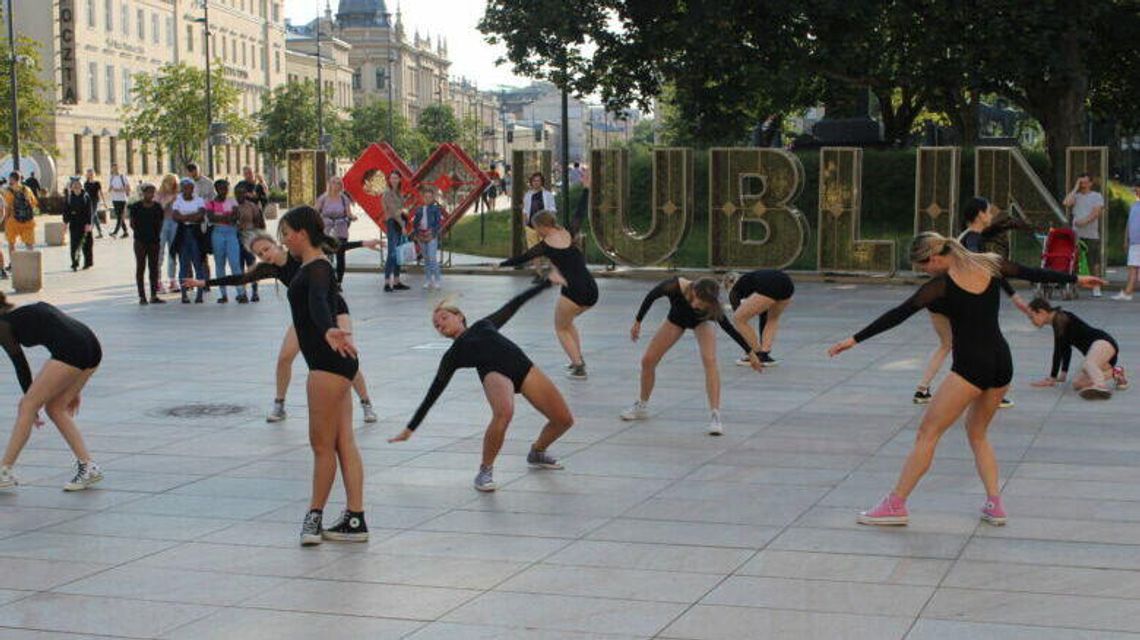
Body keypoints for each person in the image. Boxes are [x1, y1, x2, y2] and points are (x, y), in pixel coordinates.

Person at [827, 232, 1103, 527]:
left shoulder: (941, 285)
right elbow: (1031, 271)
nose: (924, 272)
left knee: (927, 433)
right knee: (978, 433)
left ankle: (896, 504)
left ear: (933, 258)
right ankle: (995, 504)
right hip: (1002, 363)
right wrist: (1076, 279)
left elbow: (898, 314)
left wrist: (853, 340)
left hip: (972, 366)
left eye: (923, 267)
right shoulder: (990, 263)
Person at [388, 279, 574, 492]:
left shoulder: (484, 325)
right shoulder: (452, 356)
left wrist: (546, 283)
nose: (441, 326)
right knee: (504, 413)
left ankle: (537, 451)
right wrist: (410, 429)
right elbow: (433, 393)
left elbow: (515, 303)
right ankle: (485, 470)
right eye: (437, 325)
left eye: (444, 318)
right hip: (495, 374)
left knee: (564, 420)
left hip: (523, 367)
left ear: (460, 316)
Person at [183, 231, 381, 424]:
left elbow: (335, 246)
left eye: (266, 249)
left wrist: (364, 243)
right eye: (259, 254)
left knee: (346, 355)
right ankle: (279, 405)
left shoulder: (299, 255)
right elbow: (240, 279)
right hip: (305, 316)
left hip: (335, 310)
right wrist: (204, 282)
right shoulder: (270, 268)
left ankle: (366, 404)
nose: (265, 255)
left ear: (277, 244)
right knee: (285, 358)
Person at [276, 206, 368, 546]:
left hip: (327, 367)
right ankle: (355, 519)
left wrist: (328, 328)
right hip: (338, 366)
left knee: (321, 446)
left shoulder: (315, 268)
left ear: (301, 233)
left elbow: (317, 301)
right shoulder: (317, 266)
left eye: (287, 233)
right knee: (343, 441)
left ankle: (313, 518)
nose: (284, 240)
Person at [912, 197, 1030, 407]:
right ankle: (989, 388)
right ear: (980, 215)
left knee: (949, 344)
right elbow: (988, 269)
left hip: (939, 298)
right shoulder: (973, 240)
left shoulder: (969, 236)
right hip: (953, 297)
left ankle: (923, 389)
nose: (991, 215)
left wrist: (1010, 225)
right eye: (988, 211)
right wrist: (1013, 295)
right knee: (981, 341)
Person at [621, 277, 761, 435]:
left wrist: (750, 352)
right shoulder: (675, 286)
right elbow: (652, 296)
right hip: (677, 318)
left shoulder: (712, 307)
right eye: (697, 301)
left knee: (710, 360)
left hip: (702, 323)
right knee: (648, 361)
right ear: (693, 291)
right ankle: (642, 405)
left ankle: (715, 416)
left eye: (703, 305)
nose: (696, 306)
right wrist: (638, 321)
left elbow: (728, 328)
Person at [0, 294, 104, 492]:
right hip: (90, 345)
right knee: (56, 408)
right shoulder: (19, 310)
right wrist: (70, 381)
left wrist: (32, 405)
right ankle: (88, 467)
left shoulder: (2, 326)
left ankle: (4, 471)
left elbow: (20, 365)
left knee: (27, 405)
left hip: (73, 351)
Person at [499, 180, 595, 379]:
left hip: (573, 292)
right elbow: (580, 212)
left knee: (560, 327)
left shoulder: (545, 245)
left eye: (536, 228)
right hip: (591, 289)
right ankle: (578, 359)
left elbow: (522, 258)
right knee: (568, 324)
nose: (537, 232)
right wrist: (586, 188)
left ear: (542, 226)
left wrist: (499, 265)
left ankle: (578, 367)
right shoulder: (569, 231)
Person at [1027, 298, 1128, 399]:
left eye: (1032, 317)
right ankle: (1116, 372)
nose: (1032, 322)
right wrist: (1063, 373)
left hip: (1103, 342)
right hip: (1102, 358)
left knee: (1088, 364)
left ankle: (1100, 386)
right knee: (1078, 384)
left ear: (1041, 312)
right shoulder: (1057, 321)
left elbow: (1057, 351)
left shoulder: (1060, 318)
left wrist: (1052, 377)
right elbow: (1065, 349)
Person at [723, 269, 794, 368]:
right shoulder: (750, 279)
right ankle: (765, 355)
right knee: (772, 319)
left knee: (739, 319)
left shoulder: (735, 289)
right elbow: (763, 316)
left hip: (768, 286)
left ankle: (756, 354)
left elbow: (739, 316)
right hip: (787, 284)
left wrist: (748, 350)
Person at [1063, 173, 1105, 297]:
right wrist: (1075, 186)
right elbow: (1066, 203)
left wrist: (1084, 222)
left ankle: (1096, 286)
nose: (1083, 185)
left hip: (1091, 234)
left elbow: (1096, 212)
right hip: (1076, 235)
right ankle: (1074, 284)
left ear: (1091, 183)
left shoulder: (1096, 196)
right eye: (1081, 182)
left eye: (1085, 182)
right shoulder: (1075, 196)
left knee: (1094, 261)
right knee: (1074, 261)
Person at [205, 179, 246, 303]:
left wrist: (220, 217)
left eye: (226, 188)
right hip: (218, 234)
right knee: (219, 263)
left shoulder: (232, 201)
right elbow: (211, 217)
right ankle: (223, 294)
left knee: (235, 263)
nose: (225, 191)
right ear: (217, 189)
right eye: (222, 188)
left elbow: (235, 217)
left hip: (231, 234)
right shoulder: (211, 203)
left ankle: (241, 293)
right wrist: (226, 216)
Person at [171, 178, 208, 304]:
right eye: (185, 187)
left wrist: (185, 217)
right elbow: (175, 216)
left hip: (196, 234)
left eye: (190, 187)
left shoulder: (199, 200)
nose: (188, 190)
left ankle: (200, 294)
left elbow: (201, 215)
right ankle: (184, 294)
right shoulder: (178, 199)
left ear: (193, 188)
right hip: (183, 234)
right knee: (183, 265)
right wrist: (191, 217)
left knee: (198, 264)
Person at [128, 184, 165, 305]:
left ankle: (154, 295)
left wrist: (155, 235)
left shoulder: (158, 207)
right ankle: (142, 296)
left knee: (153, 268)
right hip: (140, 241)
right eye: (148, 192)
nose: (150, 195)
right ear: (143, 193)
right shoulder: (136, 207)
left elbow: (160, 223)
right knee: (141, 267)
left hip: (154, 241)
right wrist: (140, 233)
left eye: (152, 193)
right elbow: (132, 224)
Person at [316, 176, 356, 283]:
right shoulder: (323, 198)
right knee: (326, 254)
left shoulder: (344, 198)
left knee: (340, 254)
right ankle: (327, 278)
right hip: (327, 229)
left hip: (341, 228)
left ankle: (339, 281)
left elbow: (348, 213)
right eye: (334, 183)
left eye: (338, 183)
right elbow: (315, 213)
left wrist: (352, 217)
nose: (336, 185)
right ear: (329, 184)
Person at [520, 172, 557, 282]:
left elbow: (552, 210)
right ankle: (539, 274)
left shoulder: (548, 195)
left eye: (538, 181)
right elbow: (525, 211)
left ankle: (552, 274)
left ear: (542, 182)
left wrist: (552, 225)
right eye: (534, 181)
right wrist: (525, 224)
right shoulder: (528, 195)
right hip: (531, 227)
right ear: (531, 182)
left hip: (544, 227)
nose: (536, 183)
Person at [234, 183, 266, 302]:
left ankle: (255, 291)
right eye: (237, 194)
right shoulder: (232, 206)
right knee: (239, 266)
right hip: (236, 238)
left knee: (251, 265)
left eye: (241, 193)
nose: (239, 196)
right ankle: (242, 293)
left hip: (249, 238)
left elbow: (260, 222)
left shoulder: (252, 206)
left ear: (245, 194)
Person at [381, 171, 410, 292]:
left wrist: (404, 216)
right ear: (389, 179)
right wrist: (403, 225)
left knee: (398, 253)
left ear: (399, 179)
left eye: (396, 178)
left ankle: (397, 281)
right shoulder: (387, 193)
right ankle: (387, 282)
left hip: (400, 223)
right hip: (393, 223)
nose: (394, 180)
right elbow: (394, 211)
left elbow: (404, 210)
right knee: (392, 253)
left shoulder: (399, 193)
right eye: (392, 177)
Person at [411, 184, 444, 289]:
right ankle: (428, 280)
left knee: (432, 258)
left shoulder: (435, 209)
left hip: (431, 236)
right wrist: (416, 233)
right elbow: (415, 223)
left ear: (433, 198)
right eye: (426, 197)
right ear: (423, 197)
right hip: (421, 236)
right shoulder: (419, 209)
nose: (427, 199)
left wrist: (433, 233)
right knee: (426, 259)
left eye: (430, 197)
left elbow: (438, 223)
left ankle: (437, 280)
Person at [3, 171, 39, 258]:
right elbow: (33, 204)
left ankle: (13, 263)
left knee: (11, 242)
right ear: (20, 179)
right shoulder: (27, 189)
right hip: (28, 221)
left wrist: (5, 220)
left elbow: (7, 207)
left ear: (11, 179)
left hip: (13, 220)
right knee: (29, 243)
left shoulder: (8, 191)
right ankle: (31, 261)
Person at [1113, 185, 1140, 301]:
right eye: (1136, 190)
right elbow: (1129, 224)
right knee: (1132, 268)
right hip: (1134, 243)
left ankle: (1128, 292)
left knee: (1133, 268)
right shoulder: (1134, 206)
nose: (1137, 192)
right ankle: (1128, 292)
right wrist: (1126, 240)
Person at [155, 173, 180, 293]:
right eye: (170, 182)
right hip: (162, 223)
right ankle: (157, 281)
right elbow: (157, 209)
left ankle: (172, 280)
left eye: (174, 183)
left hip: (174, 223)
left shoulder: (178, 194)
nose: (172, 185)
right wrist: (168, 200)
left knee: (172, 252)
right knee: (160, 252)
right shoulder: (158, 195)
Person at [62, 177, 94, 271]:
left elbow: (89, 211)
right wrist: (65, 222)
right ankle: (75, 263)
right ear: (71, 187)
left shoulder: (86, 196)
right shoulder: (69, 198)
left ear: (82, 186)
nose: (77, 187)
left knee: (86, 244)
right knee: (74, 244)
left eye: (79, 185)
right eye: (75, 185)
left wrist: (89, 223)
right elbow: (66, 211)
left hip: (84, 223)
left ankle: (88, 262)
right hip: (74, 223)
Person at [107, 162, 131, 238]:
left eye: (116, 168)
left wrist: (119, 190)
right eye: (113, 168)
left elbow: (128, 188)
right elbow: (110, 188)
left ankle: (115, 232)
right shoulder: (111, 177)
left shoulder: (123, 177)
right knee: (119, 216)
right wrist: (110, 189)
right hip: (115, 199)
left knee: (120, 216)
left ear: (118, 168)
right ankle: (126, 232)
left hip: (122, 199)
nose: (114, 169)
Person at [83, 168, 105, 239]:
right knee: (94, 216)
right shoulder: (85, 183)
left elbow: (101, 192)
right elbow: (85, 193)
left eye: (91, 174)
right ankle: (100, 232)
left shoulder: (97, 183)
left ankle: (89, 232)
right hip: (88, 201)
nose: (90, 175)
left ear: (93, 174)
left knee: (92, 215)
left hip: (95, 201)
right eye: (89, 174)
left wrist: (104, 202)